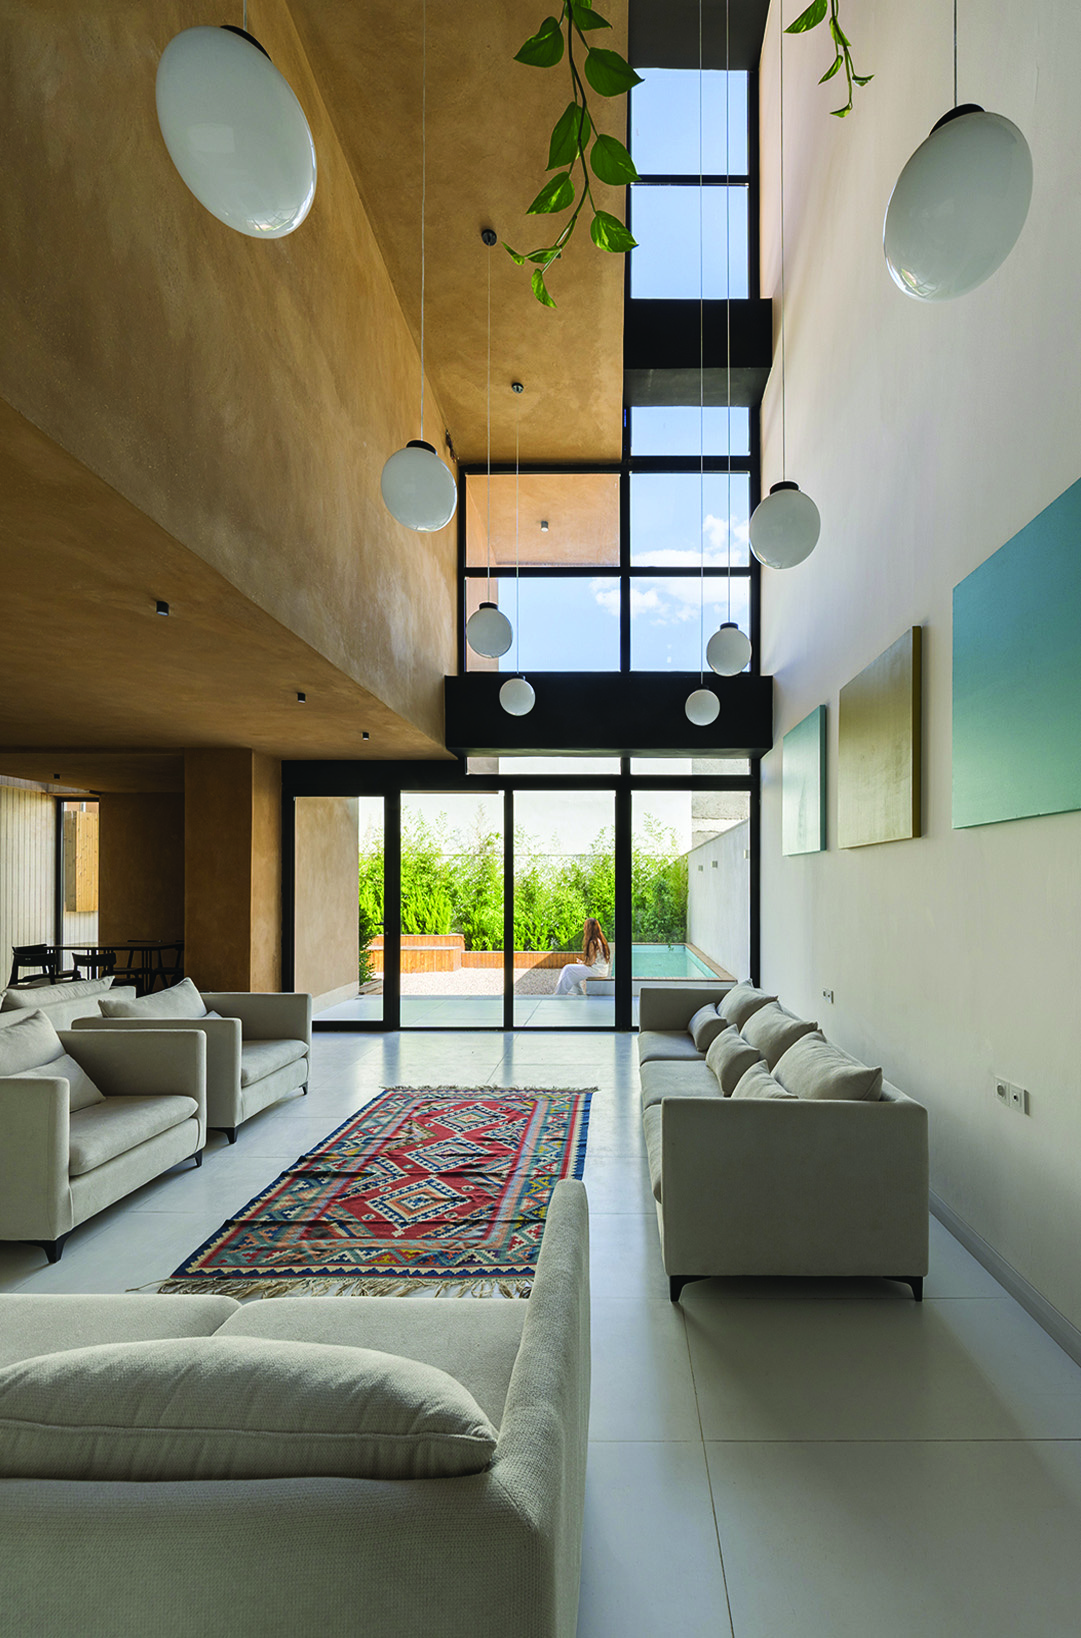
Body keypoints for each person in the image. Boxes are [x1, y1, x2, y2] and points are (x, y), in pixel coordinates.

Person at [555, 918, 611, 996]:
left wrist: (583, 963)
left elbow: (590, 962)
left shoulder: (593, 942)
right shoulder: (600, 940)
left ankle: (559, 994)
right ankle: (579, 993)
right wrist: (583, 963)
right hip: (602, 970)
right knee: (573, 972)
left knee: (568, 969)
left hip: (596, 971)